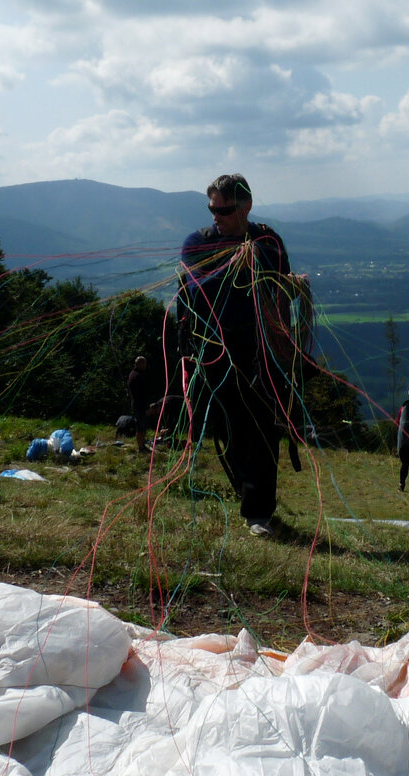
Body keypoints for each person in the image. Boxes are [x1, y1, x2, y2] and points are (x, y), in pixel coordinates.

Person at [176, 174, 294, 537]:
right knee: (229, 429)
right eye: (212, 209)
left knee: (262, 427)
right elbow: (196, 289)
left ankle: (258, 511)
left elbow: (279, 285)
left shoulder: (267, 241)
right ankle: (246, 488)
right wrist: (233, 266)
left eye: (224, 210)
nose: (216, 216)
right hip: (213, 350)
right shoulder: (198, 242)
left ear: (246, 206)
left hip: (259, 350)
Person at [127, 355, 149, 452]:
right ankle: (140, 447)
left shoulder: (137, 374)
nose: (145, 365)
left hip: (140, 404)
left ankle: (142, 445)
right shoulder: (136, 376)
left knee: (142, 426)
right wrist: (143, 405)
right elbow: (138, 393)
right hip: (139, 405)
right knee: (140, 426)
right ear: (140, 364)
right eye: (144, 363)